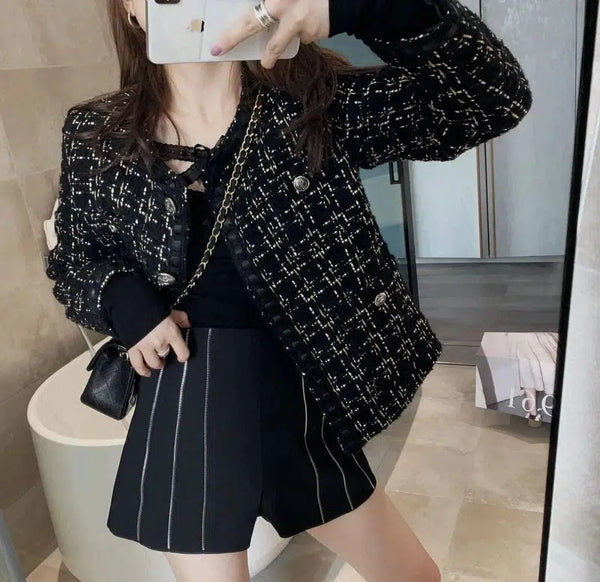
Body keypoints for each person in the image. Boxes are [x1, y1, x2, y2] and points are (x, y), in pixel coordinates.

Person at [46, 0, 532, 580]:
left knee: (414, 576)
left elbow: (492, 99)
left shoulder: (314, 103)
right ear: (131, 9)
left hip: (297, 383)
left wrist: (367, 7)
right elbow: (74, 257)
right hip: (187, 386)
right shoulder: (96, 133)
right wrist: (126, 302)